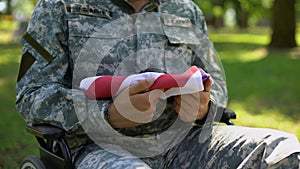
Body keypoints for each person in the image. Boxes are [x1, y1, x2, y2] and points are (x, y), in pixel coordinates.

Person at [16, 0, 300, 168]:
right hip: (97, 147)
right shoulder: (60, 6)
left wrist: (204, 107)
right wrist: (109, 115)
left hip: (185, 142)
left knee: (280, 150)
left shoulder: (186, 10)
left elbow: (214, 83)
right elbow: (33, 94)